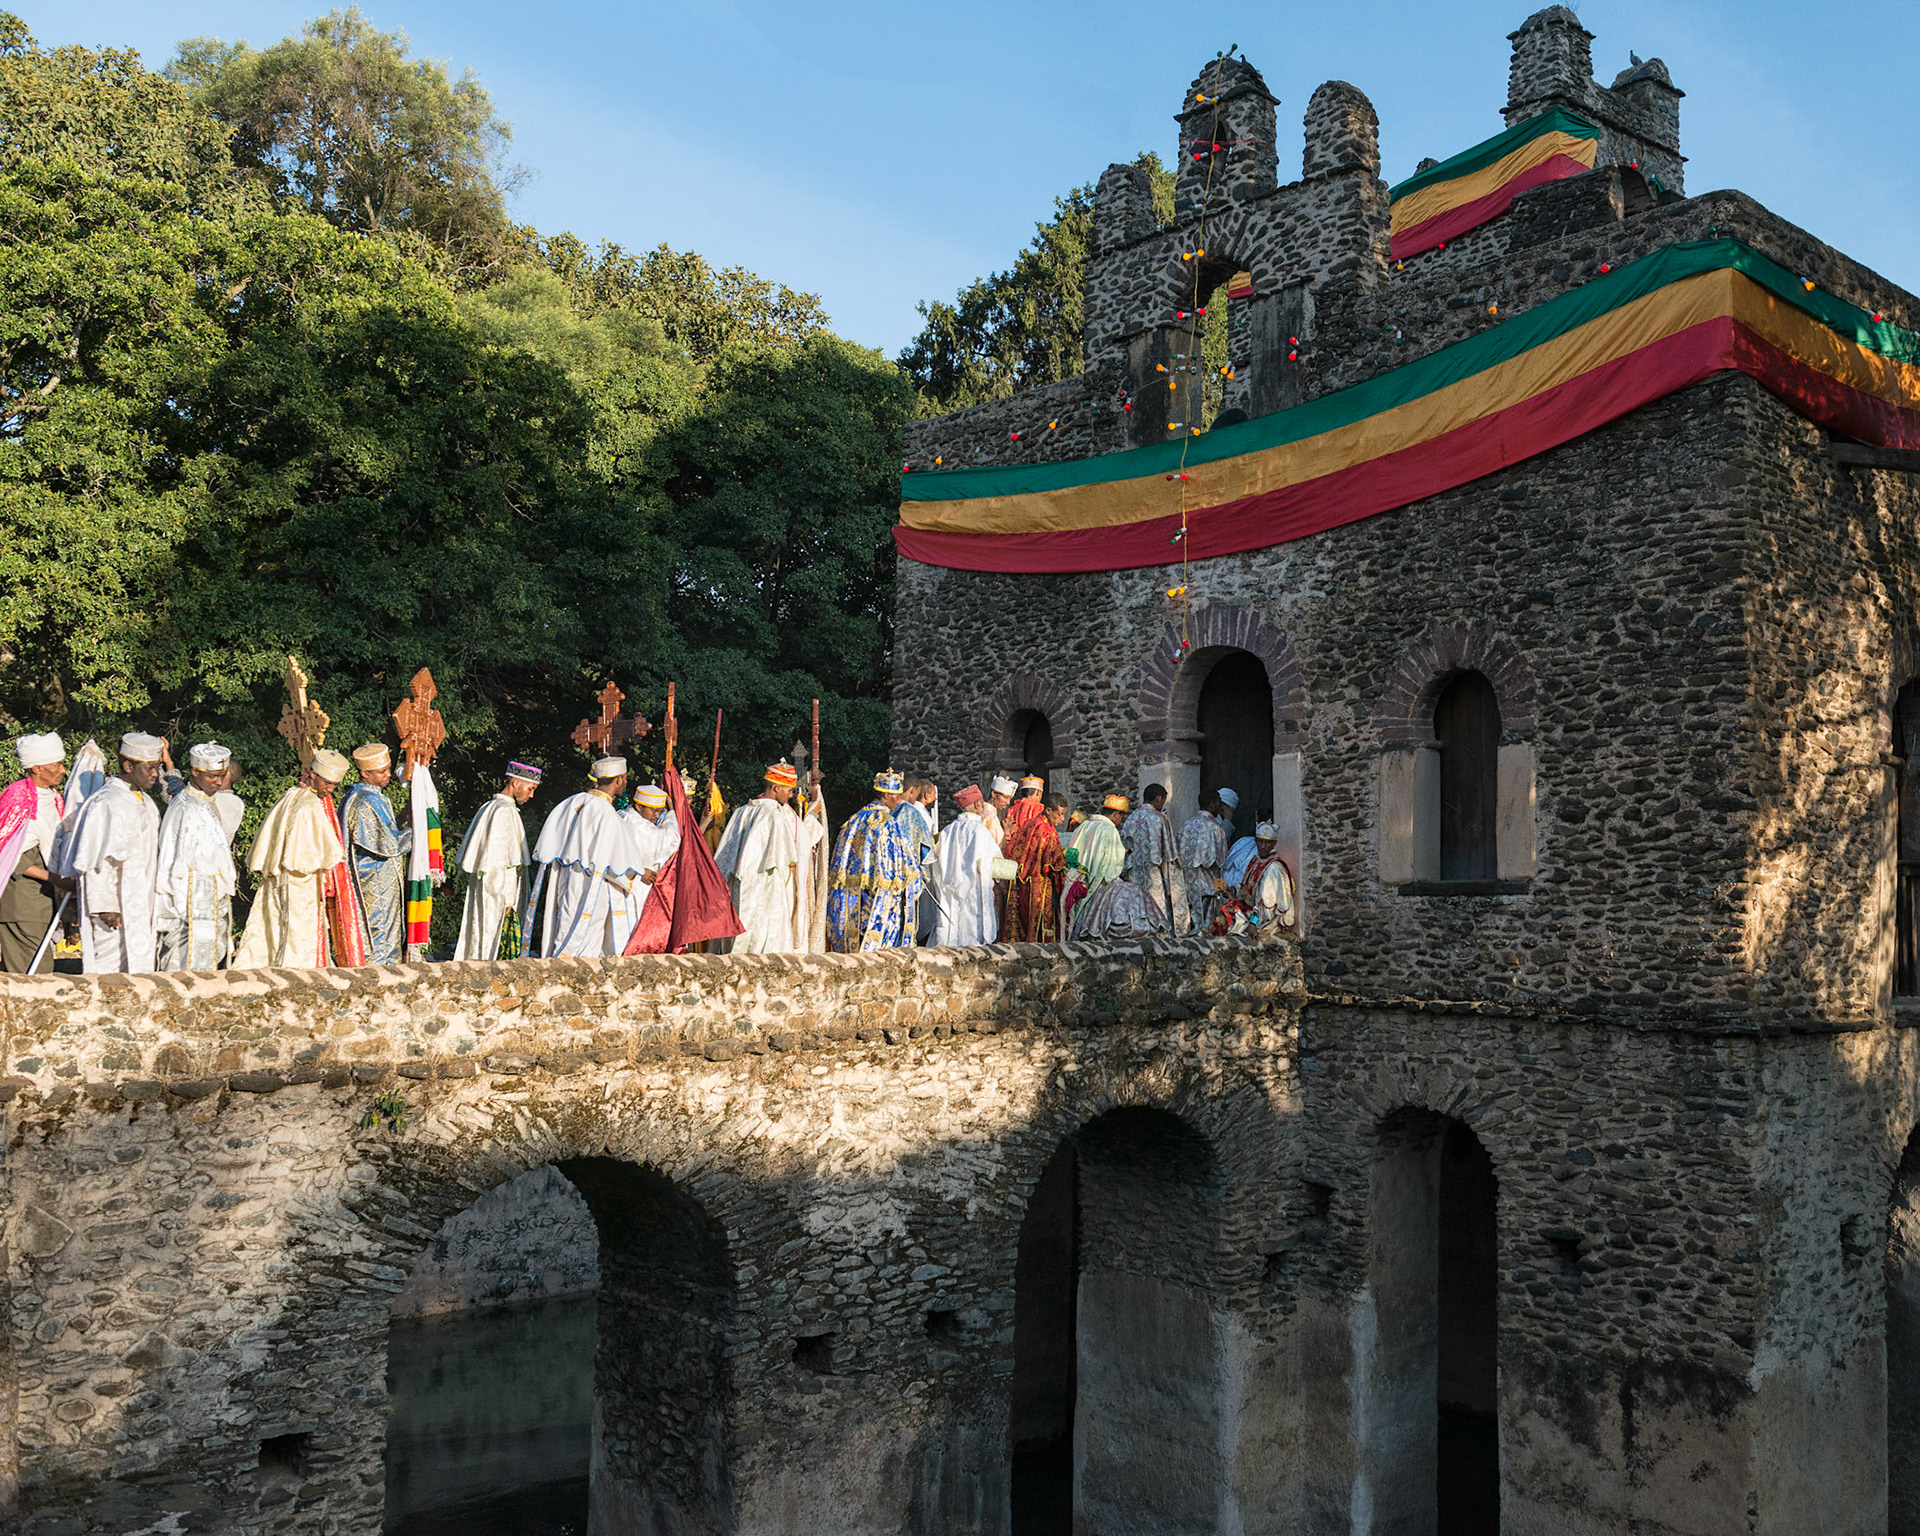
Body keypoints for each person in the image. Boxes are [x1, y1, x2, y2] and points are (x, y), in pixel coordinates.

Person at [235, 749, 366, 968]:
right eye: (327, 783)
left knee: (273, 926)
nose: (330, 789)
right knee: (298, 933)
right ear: (313, 775)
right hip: (301, 883)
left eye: (334, 785)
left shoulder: (290, 795)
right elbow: (330, 853)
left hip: (281, 877)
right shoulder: (310, 804)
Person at [62, 732, 165, 973]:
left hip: (141, 899)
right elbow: (95, 860)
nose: (155, 775)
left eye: (157, 768)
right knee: (109, 966)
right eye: (149, 768)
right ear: (128, 766)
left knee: (139, 963)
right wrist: (105, 905)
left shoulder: (146, 802)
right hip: (114, 904)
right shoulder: (107, 802)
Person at [525, 757, 646, 957]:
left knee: (565, 925)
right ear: (618, 780)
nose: (625, 783)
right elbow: (614, 865)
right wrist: (630, 880)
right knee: (586, 940)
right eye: (624, 779)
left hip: (566, 880)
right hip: (591, 886)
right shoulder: (606, 813)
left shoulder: (571, 803)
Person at [713, 761, 827, 953]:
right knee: (766, 939)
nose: (791, 795)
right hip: (768, 885)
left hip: (741, 885)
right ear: (776, 787)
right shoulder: (772, 814)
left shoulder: (743, 811)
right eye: (789, 790)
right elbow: (796, 848)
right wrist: (813, 819)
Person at [154, 742, 238, 971]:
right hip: (188, 905)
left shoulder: (204, 801)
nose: (218, 782)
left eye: (222, 776)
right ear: (194, 771)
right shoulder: (185, 807)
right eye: (212, 776)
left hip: (210, 901)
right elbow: (176, 861)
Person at [826, 769, 924, 952]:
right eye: (896, 795)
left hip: (852, 897)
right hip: (878, 896)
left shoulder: (854, 820)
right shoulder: (887, 823)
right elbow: (904, 862)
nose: (899, 799)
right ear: (886, 794)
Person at [451, 762, 540, 961]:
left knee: (480, 932)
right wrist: (509, 898)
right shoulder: (504, 812)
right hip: (498, 888)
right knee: (492, 937)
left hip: (488, 885)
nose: (531, 795)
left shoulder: (490, 806)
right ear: (516, 782)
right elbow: (504, 863)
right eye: (530, 788)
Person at [0, 733, 69, 974]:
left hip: (42, 902)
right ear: (37, 768)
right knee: (34, 975)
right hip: (22, 904)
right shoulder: (18, 797)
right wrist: (56, 880)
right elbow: (10, 856)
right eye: (57, 765)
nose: (62, 770)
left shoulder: (53, 797)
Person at [339, 744, 411, 964]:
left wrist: (401, 819)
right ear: (365, 773)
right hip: (374, 879)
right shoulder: (364, 801)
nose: (388, 775)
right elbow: (386, 843)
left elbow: (380, 832)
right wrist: (416, 833)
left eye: (389, 769)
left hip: (381, 878)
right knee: (378, 929)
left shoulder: (367, 797)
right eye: (382, 771)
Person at [1069, 793, 1166, 941]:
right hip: (1100, 882)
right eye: (1121, 816)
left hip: (1078, 879)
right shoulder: (1109, 829)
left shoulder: (1084, 826)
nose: (1120, 821)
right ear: (1115, 814)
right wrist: (1124, 852)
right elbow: (1111, 863)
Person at [929, 785, 1000, 945]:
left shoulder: (947, 831)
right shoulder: (980, 831)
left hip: (949, 890)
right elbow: (992, 861)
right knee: (972, 933)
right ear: (977, 805)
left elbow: (937, 862)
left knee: (952, 932)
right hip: (973, 889)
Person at [1122, 783, 1190, 935]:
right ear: (1158, 798)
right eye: (1163, 801)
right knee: (1156, 906)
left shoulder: (1131, 818)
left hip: (1134, 873)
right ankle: (1160, 935)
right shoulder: (1159, 818)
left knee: (1136, 905)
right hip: (1154, 873)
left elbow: (1125, 847)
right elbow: (1169, 851)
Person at [1002, 790, 1068, 943]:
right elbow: (1054, 864)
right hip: (1039, 885)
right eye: (1059, 814)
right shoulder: (1047, 831)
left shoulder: (1029, 823)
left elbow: (1012, 850)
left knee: (1022, 922)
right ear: (1049, 810)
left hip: (1021, 882)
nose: (1062, 819)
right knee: (1036, 928)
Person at [1214, 821, 1297, 937]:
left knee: (1226, 921)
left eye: (1267, 843)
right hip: (1248, 907)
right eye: (1260, 841)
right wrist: (1232, 890)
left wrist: (1253, 922)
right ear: (1256, 841)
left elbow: (1267, 902)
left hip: (1262, 916)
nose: (1263, 846)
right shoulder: (1256, 860)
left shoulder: (1274, 868)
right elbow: (1247, 887)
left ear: (1274, 843)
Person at [1179, 787, 1237, 933]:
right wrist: (1221, 888)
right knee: (1205, 928)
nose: (1220, 807)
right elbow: (1221, 863)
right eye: (1218, 803)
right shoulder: (1215, 828)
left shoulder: (1186, 824)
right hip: (1206, 887)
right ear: (1212, 804)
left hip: (1186, 885)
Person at [893, 774, 937, 942]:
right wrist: (926, 876)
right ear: (912, 791)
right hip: (908, 876)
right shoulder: (912, 814)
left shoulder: (887, 810)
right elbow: (925, 850)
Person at [624, 784, 682, 890]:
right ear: (638, 806)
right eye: (654, 811)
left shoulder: (623, 815)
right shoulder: (641, 827)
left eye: (660, 811)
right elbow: (671, 838)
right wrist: (672, 811)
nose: (657, 816)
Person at [980, 776, 1016, 846]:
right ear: (993, 794)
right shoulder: (991, 818)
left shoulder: (979, 811)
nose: (1008, 802)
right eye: (1005, 797)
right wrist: (1006, 833)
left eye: (1010, 799)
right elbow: (999, 848)